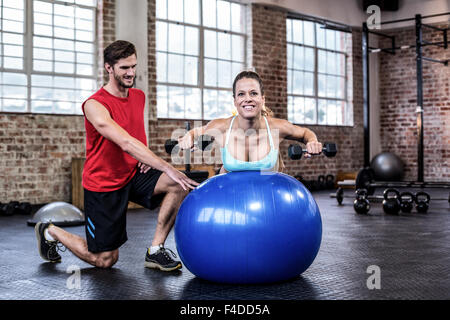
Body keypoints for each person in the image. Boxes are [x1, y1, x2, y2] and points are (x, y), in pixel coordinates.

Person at [35, 40, 198, 271]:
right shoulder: (94, 105)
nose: (131, 73)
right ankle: (50, 231)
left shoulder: (138, 96)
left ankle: (155, 250)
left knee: (178, 183)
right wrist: (165, 165)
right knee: (105, 260)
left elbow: (134, 132)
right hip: (104, 184)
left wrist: (144, 156)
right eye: (124, 68)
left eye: (133, 66)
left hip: (132, 174)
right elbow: (124, 140)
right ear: (109, 68)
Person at [179, 70, 323, 173]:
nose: (248, 98)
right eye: (241, 94)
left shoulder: (277, 127)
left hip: (266, 200)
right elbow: (195, 132)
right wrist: (188, 137)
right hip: (233, 199)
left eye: (253, 93)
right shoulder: (222, 126)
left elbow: (305, 133)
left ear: (262, 99)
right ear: (235, 101)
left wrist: (312, 141)